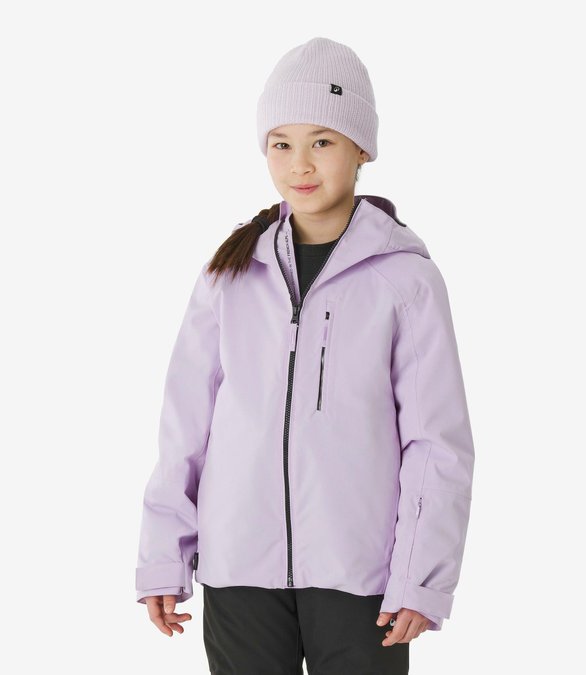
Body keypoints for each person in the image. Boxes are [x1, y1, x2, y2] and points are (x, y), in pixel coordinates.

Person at [134, 36, 476, 674]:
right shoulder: (229, 275)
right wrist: (164, 554)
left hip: (361, 576)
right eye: (281, 144)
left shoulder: (406, 280)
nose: (300, 165)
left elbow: (436, 443)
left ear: (360, 148)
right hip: (239, 569)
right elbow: (185, 430)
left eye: (322, 141)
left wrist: (420, 576)